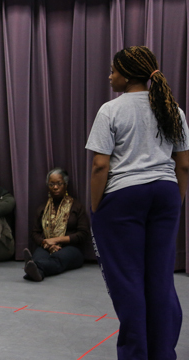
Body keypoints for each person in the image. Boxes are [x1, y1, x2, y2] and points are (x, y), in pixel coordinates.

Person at [86, 45, 189, 360]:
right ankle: (163, 353)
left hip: (123, 198)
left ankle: (135, 354)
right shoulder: (173, 109)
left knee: (128, 280)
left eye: (113, 70)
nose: (109, 76)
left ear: (127, 74)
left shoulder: (111, 110)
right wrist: (176, 201)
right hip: (166, 194)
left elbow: (100, 166)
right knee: (160, 278)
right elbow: (183, 165)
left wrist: (95, 209)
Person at [22, 168, 90, 282]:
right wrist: (46, 243)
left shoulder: (77, 206)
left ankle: (31, 270)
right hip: (46, 246)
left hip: (72, 248)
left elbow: (83, 234)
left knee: (57, 259)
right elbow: (35, 233)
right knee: (39, 257)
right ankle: (37, 272)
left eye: (59, 184)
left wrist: (56, 240)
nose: (55, 187)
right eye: (51, 184)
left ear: (66, 184)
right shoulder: (42, 208)